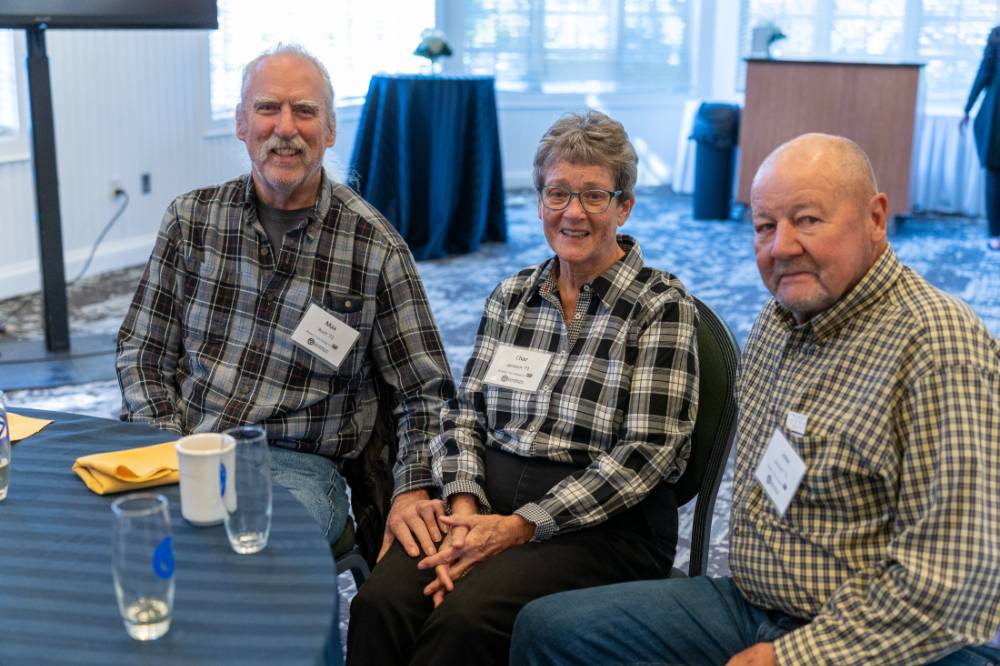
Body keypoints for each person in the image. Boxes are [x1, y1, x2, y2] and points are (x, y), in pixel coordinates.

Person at [511, 133, 1000, 666]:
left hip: (877, 635)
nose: (782, 247)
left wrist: (792, 657)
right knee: (549, 630)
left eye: (808, 220)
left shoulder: (939, 347)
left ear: (876, 219)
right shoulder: (778, 319)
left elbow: (955, 585)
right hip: (752, 603)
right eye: (765, 226)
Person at [345, 110, 700, 666]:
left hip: (604, 522)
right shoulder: (511, 296)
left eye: (593, 196)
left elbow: (646, 455)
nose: (573, 213)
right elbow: (465, 415)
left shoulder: (661, 307)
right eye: (557, 194)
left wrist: (518, 528)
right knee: (380, 602)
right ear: (539, 203)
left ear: (624, 205)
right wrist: (465, 509)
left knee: (464, 619)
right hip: (488, 497)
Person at [116, 44, 455, 552]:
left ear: (331, 129)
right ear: (241, 122)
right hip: (182, 441)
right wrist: (165, 441)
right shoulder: (192, 220)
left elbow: (425, 391)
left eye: (305, 111)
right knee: (118, 531)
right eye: (268, 107)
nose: (285, 128)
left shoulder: (374, 248)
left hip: (293, 465)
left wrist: (412, 489)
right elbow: (142, 349)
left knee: (248, 559)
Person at [961, 25, 1000, 251]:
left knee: (995, 176)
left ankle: (995, 233)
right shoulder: (997, 36)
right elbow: (984, 74)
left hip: (994, 118)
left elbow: (983, 74)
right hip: (995, 118)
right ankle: (995, 232)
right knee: (995, 174)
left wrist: (967, 108)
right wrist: (967, 107)